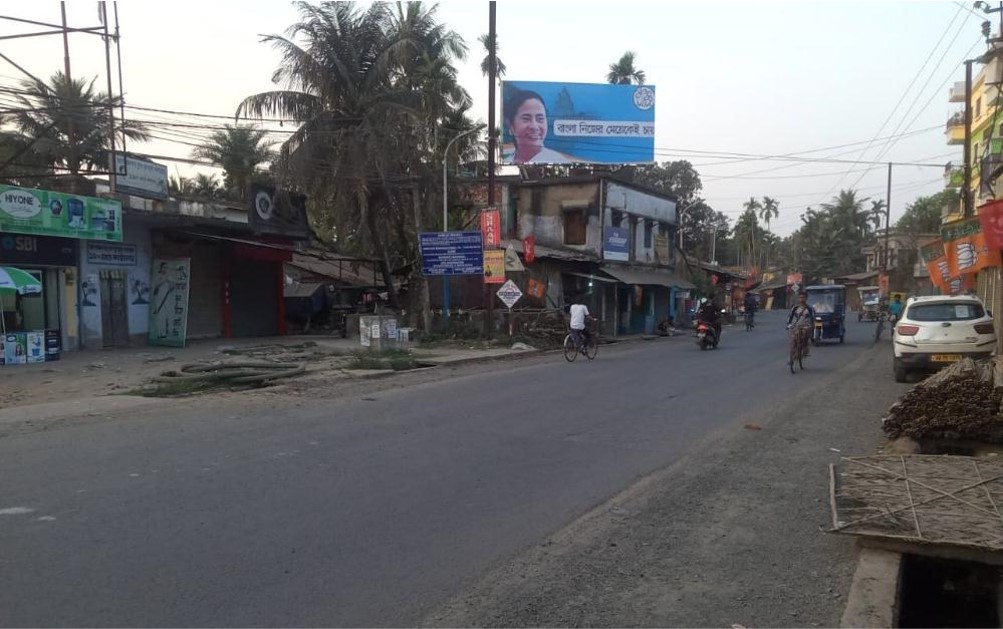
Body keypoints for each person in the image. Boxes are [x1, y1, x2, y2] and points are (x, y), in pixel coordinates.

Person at [503, 89, 577, 165]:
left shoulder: (558, 162)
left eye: (540, 119)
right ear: (510, 124)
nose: (534, 126)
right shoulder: (506, 162)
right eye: (526, 119)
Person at [787, 291, 816, 359]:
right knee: (794, 339)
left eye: (803, 297)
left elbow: (813, 318)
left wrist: (812, 325)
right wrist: (789, 324)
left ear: (806, 298)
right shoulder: (795, 308)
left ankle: (805, 348)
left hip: (806, 326)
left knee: (805, 335)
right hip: (796, 326)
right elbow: (790, 317)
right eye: (800, 297)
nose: (801, 299)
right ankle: (792, 355)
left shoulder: (810, 308)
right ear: (798, 298)